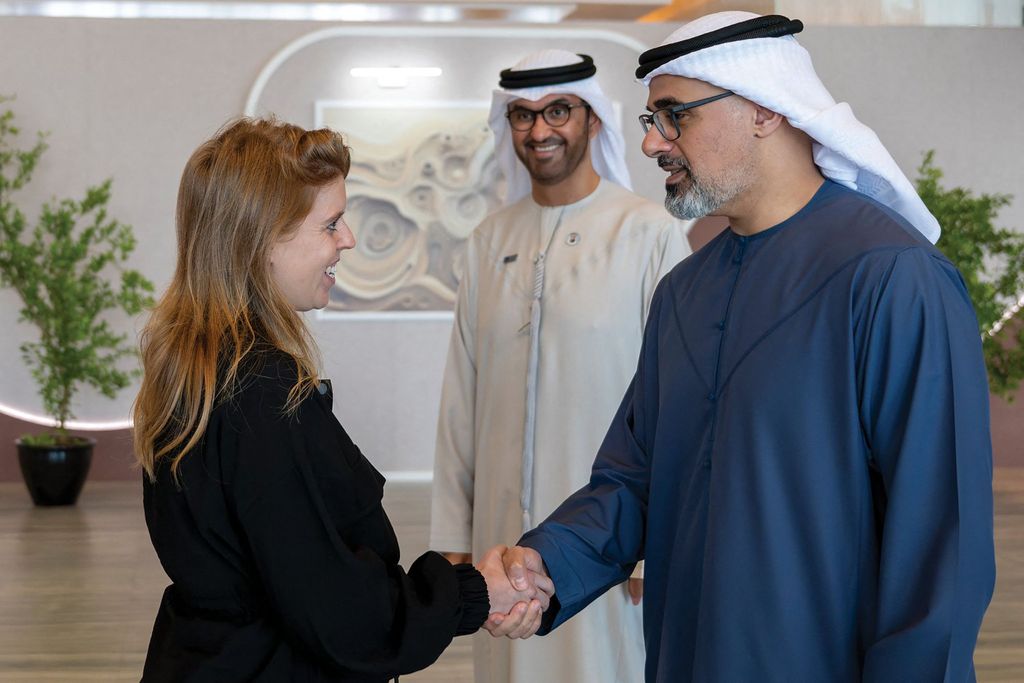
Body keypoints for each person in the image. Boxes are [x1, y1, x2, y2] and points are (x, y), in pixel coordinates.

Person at [498, 12, 996, 682]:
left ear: (765, 110)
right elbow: (633, 482)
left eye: (674, 116)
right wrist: (549, 563)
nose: (652, 143)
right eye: (650, 119)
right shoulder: (683, 290)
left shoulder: (892, 277)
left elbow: (943, 542)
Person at [131, 117, 549, 682]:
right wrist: (475, 591)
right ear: (263, 241)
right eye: (330, 224)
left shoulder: (199, 369)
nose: (348, 239)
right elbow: (343, 617)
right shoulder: (260, 390)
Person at [430, 50, 690, 683]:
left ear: (593, 119)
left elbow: (677, 399)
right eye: (522, 115)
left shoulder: (648, 233)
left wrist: (653, 547)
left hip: (610, 541)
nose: (539, 130)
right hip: (497, 531)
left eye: (557, 111)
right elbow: (462, 396)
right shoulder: (490, 238)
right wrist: (450, 535)